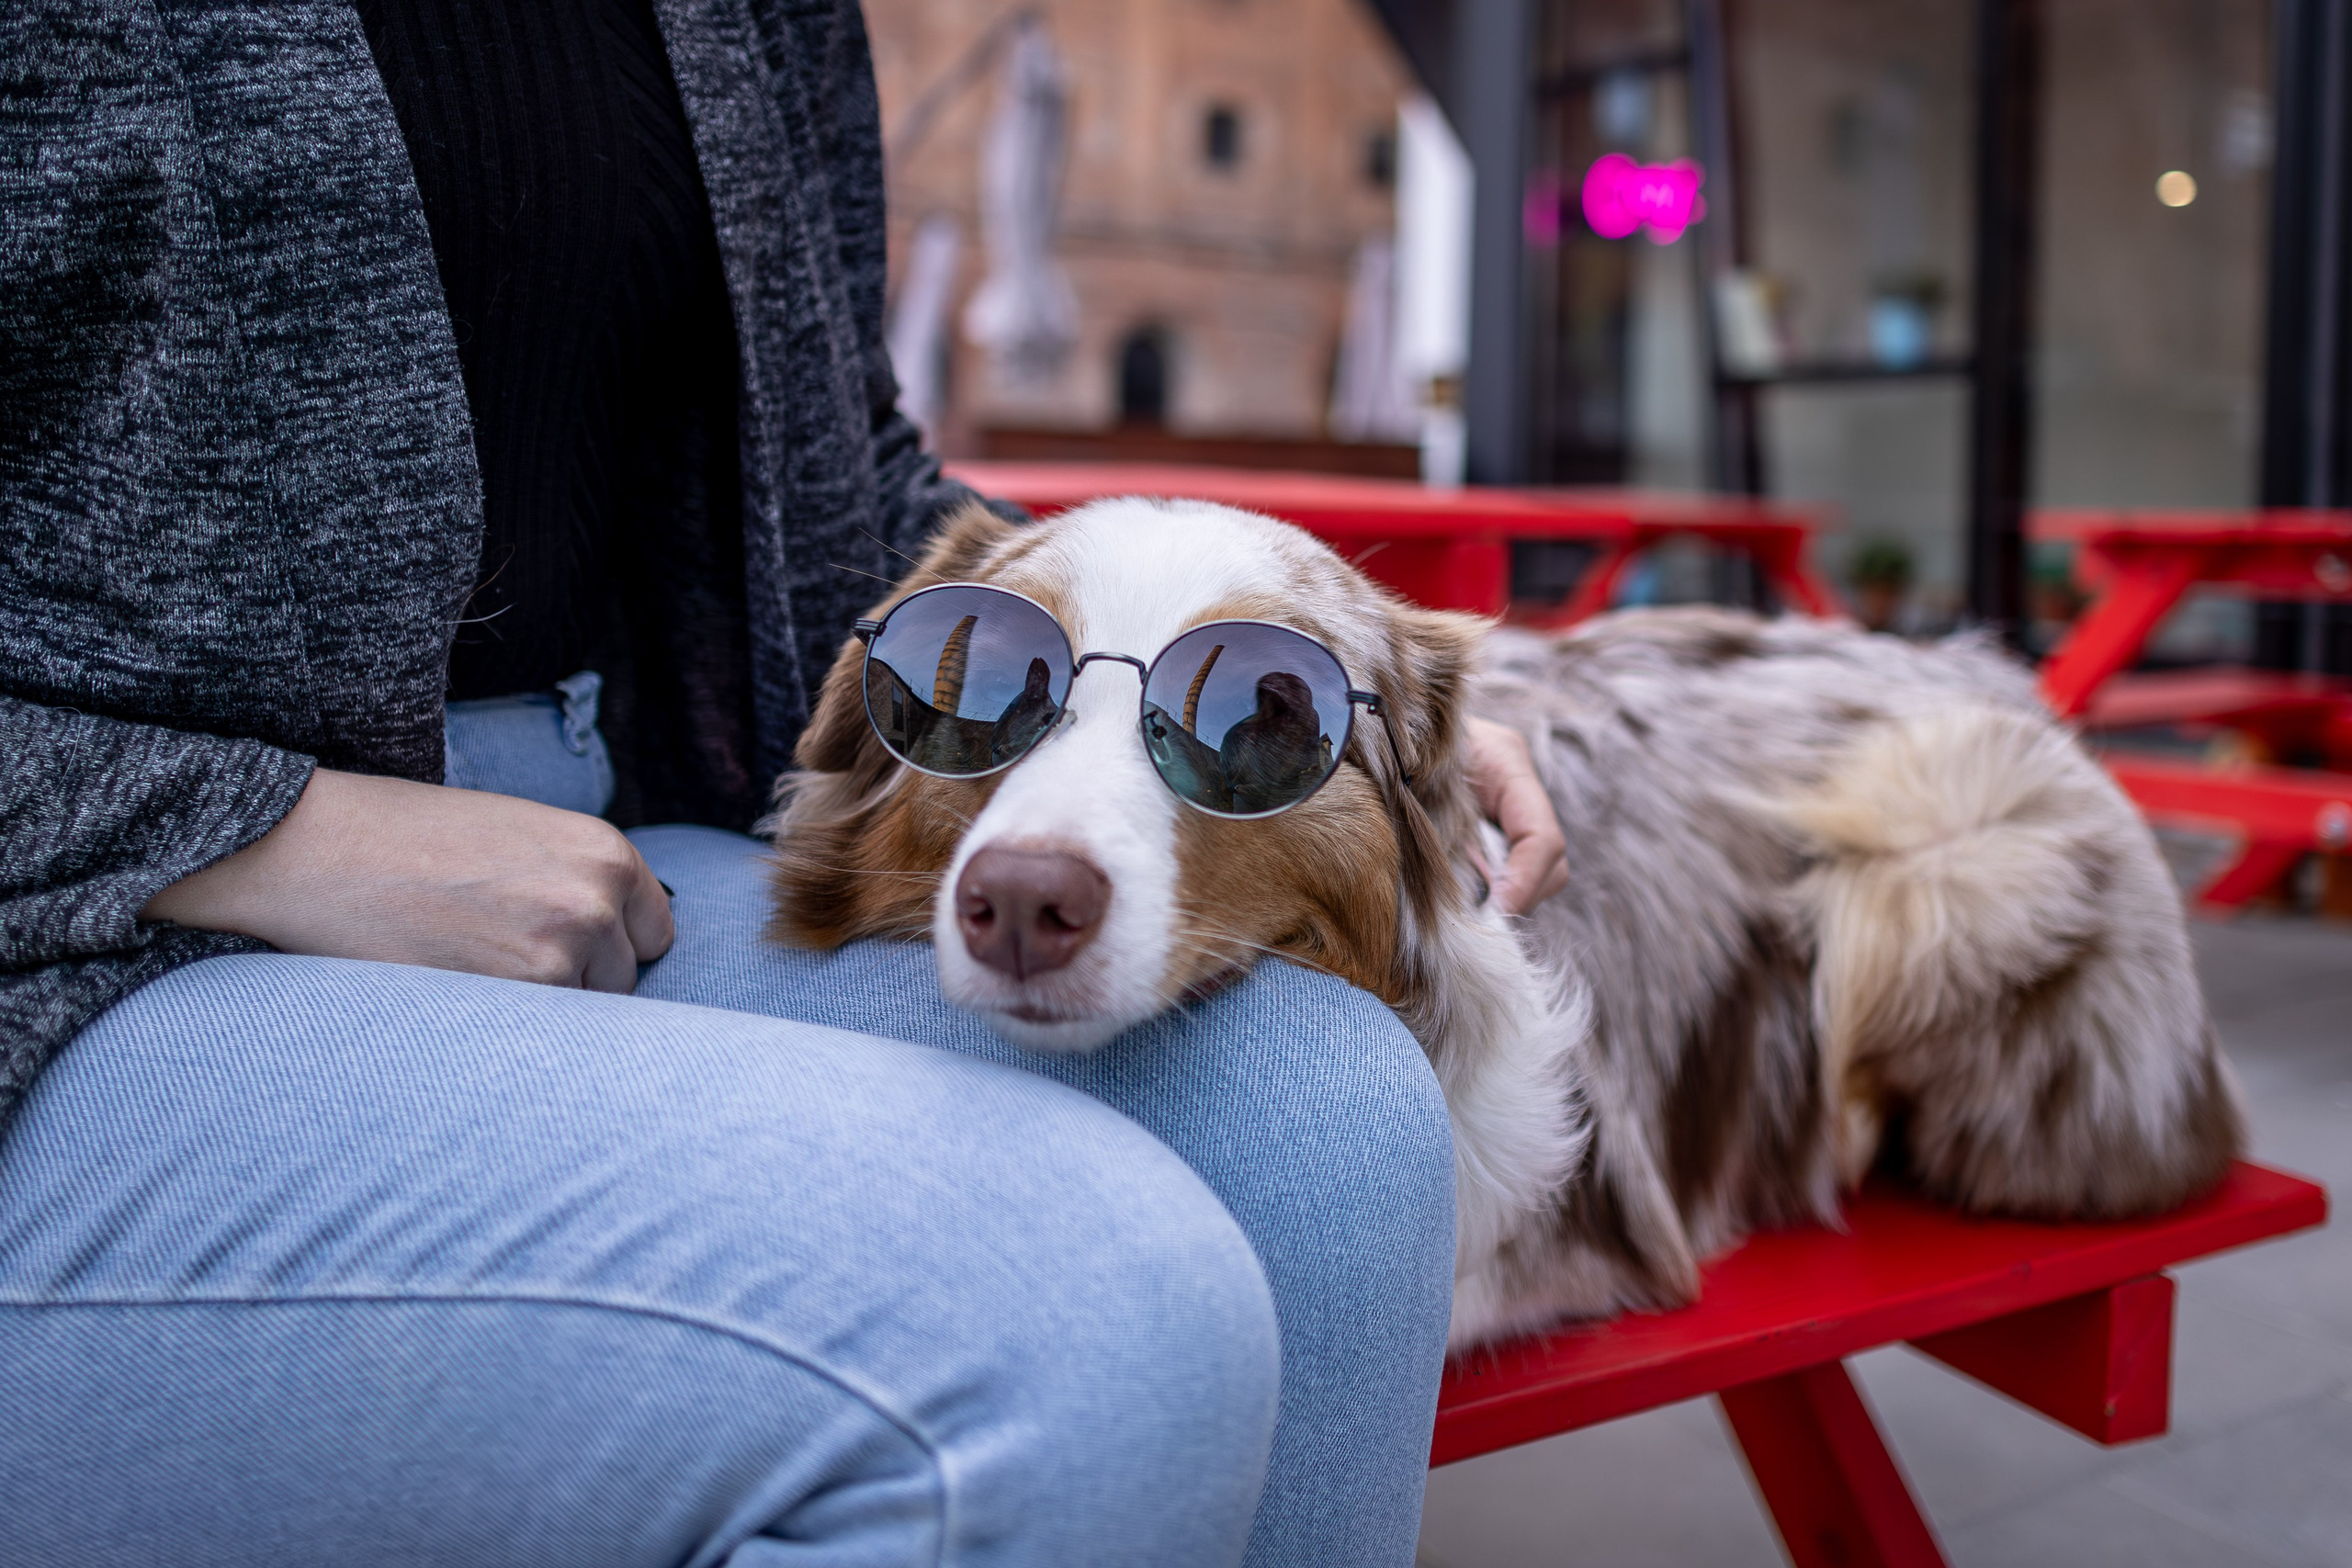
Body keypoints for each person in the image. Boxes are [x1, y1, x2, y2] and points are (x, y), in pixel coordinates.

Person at [0, 3, 1571, 1563]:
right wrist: (263, 833)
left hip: (607, 831)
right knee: (1082, 1316)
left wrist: (1314, 694)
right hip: (88, 942)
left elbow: (836, 485)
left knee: (1331, 1126)